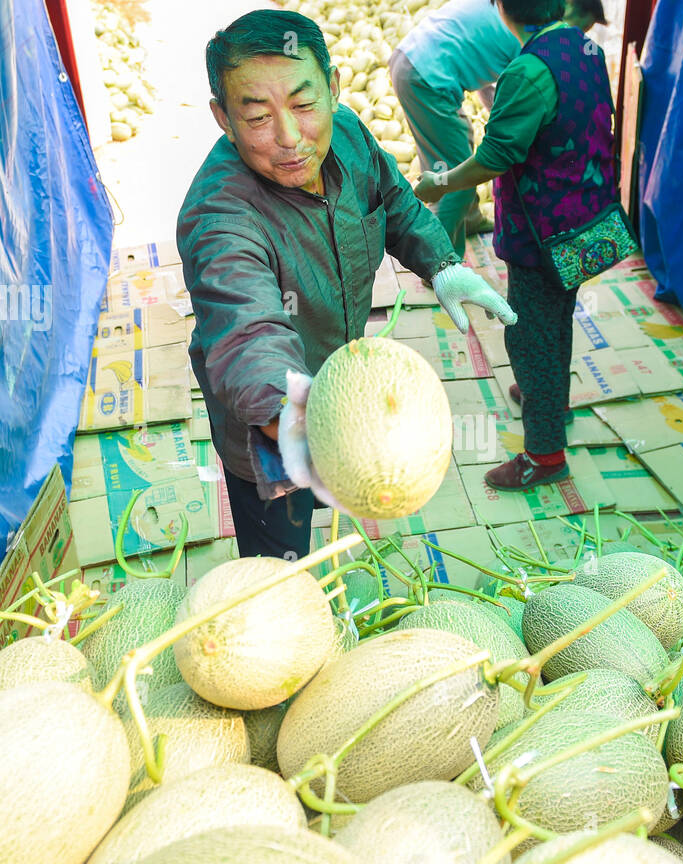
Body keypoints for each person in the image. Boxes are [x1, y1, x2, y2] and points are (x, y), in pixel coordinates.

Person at [178, 10, 516, 560]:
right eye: (258, 117)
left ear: (333, 89)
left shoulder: (352, 137)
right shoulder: (220, 218)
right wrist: (306, 427)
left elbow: (395, 201)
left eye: (305, 105)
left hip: (341, 382)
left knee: (326, 510)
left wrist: (443, 265)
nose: (290, 139)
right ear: (222, 117)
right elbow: (248, 335)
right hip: (272, 427)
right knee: (279, 569)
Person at [414, 0, 619, 493]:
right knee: (555, 320)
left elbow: (495, 156)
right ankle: (551, 398)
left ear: (503, 9)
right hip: (585, 221)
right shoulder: (584, 47)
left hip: (543, 233)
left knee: (528, 337)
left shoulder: (526, 72)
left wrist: (439, 183)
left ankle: (544, 455)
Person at [390, 0, 608, 258]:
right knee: (454, 175)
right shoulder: (532, 39)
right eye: (579, 29)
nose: (577, 38)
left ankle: (468, 220)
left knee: (458, 150)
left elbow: (502, 86)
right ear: (565, 9)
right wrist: (442, 182)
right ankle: (438, 263)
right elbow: (495, 153)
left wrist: (503, 120)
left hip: (415, 60)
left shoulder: (517, 16)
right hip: (424, 75)